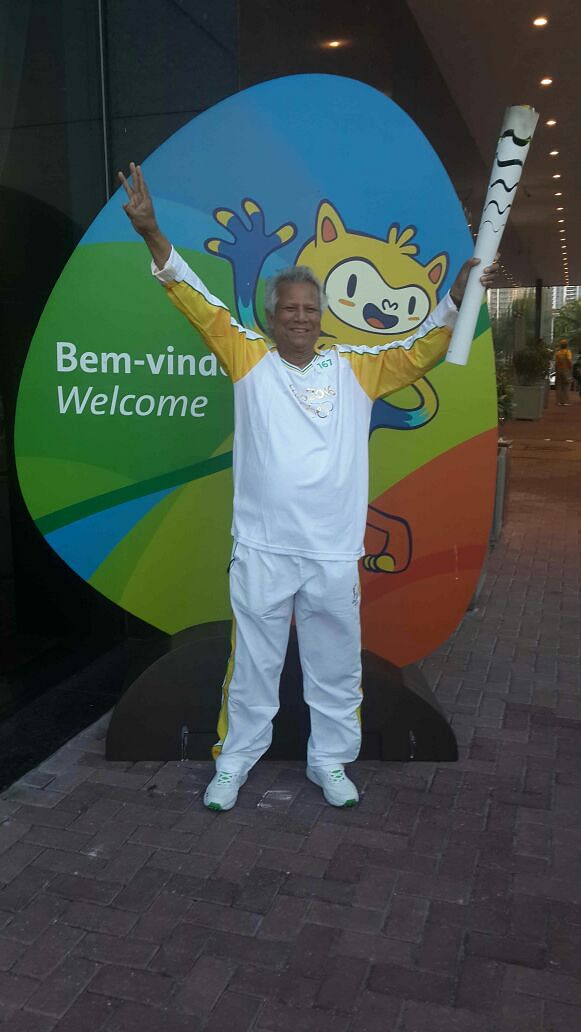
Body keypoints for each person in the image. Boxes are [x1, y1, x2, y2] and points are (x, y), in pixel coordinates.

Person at [119, 162, 497, 812]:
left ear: (322, 317)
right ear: (271, 316)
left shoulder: (357, 369)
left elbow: (424, 346)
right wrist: (151, 231)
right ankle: (232, 765)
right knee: (253, 672)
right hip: (263, 550)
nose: (300, 318)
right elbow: (190, 295)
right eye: (289, 309)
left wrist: (458, 297)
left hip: (331, 552)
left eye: (310, 310)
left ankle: (331, 764)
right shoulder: (247, 356)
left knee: (335, 668)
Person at [555, 338, 573, 406]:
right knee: (566, 385)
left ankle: (558, 401)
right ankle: (565, 401)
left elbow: (556, 362)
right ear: (566, 345)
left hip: (559, 370)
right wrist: (571, 368)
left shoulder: (558, 353)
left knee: (559, 386)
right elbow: (569, 360)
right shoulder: (568, 352)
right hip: (566, 370)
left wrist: (556, 369)